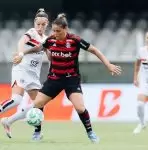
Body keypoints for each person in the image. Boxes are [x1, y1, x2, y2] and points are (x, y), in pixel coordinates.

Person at [14, 13, 122, 143]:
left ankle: (91, 133)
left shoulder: (75, 40)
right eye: (53, 30)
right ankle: (37, 132)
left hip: (71, 79)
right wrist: (22, 53)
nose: (55, 33)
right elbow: (38, 48)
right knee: (37, 103)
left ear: (66, 29)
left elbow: (94, 50)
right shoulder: (51, 40)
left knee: (80, 108)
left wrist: (108, 64)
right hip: (54, 79)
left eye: (58, 31)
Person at [0, 8, 49, 140]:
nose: (40, 27)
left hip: (33, 76)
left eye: (43, 25)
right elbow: (21, 41)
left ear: (47, 24)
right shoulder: (31, 33)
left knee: (39, 104)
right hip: (21, 69)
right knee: (17, 99)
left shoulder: (46, 39)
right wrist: (21, 53)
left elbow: (50, 57)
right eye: (38, 24)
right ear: (34, 23)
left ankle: (10, 122)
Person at [133, 31, 148, 134]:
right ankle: (142, 123)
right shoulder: (141, 51)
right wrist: (135, 78)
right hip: (145, 82)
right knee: (140, 104)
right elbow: (137, 65)